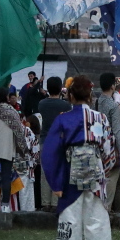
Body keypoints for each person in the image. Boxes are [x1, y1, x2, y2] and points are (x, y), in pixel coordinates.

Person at [41, 76, 116, 240]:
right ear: (90, 96)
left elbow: (50, 151)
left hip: (70, 166)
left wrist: (55, 182)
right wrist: (104, 171)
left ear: (71, 96)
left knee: (71, 212)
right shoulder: (101, 118)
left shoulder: (63, 118)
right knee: (96, 212)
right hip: (95, 166)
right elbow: (109, 149)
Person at [0, 86, 26, 213]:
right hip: (7, 148)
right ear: (7, 97)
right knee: (6, 177)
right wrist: (22, 149)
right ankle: (5, 205)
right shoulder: (12, 112)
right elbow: (19, 132)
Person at [38, 76, 71, 212]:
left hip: (45, 140)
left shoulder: (42, 104)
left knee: (45, 173)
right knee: (58, 172)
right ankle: (56, 202)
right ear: (60, 88)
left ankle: (45, 203)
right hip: (60, 141)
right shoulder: (65, 105)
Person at [95, 72, 120, 214]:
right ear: (113, 86)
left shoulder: (96, 102)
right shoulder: (114, 106)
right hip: (111, 148)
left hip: (97, 145)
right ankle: (106, 209)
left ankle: (99, 207)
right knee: (112, 180)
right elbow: (117, 131)